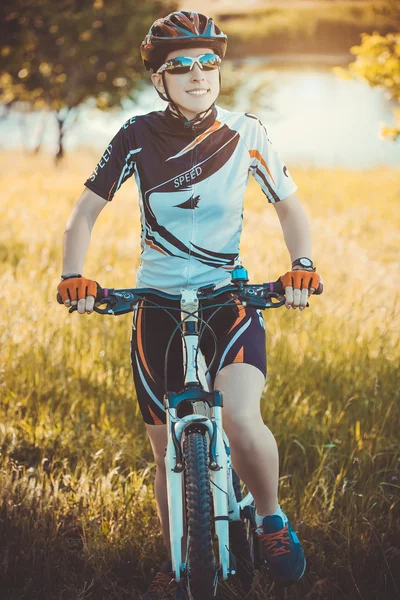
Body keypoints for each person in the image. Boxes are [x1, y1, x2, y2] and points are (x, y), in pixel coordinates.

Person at [57, 10, 321, 599]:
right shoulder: (135, 134)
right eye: (181, 65)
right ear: (160, 79)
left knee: (240, 415)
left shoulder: (246, 131)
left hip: (226, 296)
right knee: (162, 453)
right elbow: (85, 213)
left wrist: (301, 266)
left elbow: (289, 207)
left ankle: (272, 519)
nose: (198, 73)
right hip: (155, 305)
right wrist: (74, 276)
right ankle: (178, 555)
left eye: (208, 62)